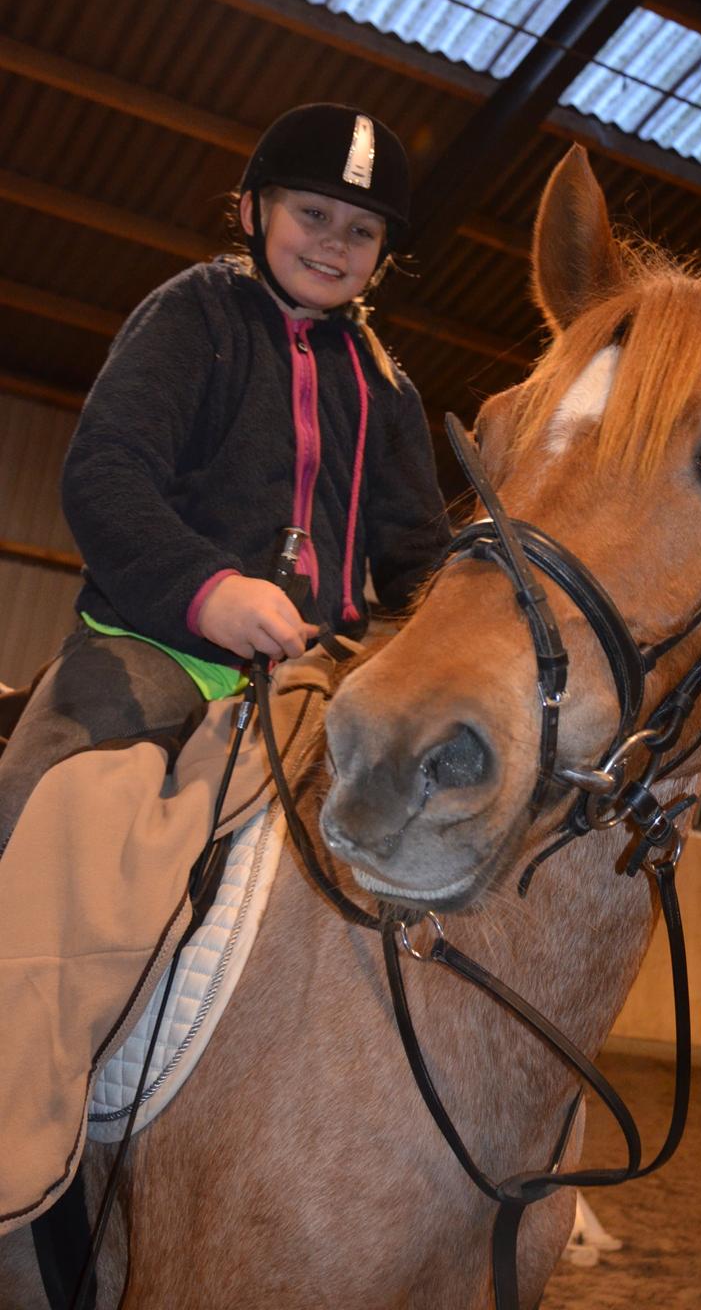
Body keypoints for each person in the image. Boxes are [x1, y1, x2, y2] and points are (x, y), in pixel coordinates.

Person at [0, 103, 451, 1302]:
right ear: (253, 211)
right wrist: (210, 592)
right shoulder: (189, 317)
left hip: (318, 677)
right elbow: (105, 474)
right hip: (154, 657)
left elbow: (417, 550)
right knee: (41, 824)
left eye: (362, 231)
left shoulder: (386, 383)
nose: (335, 244)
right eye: (314, 214)